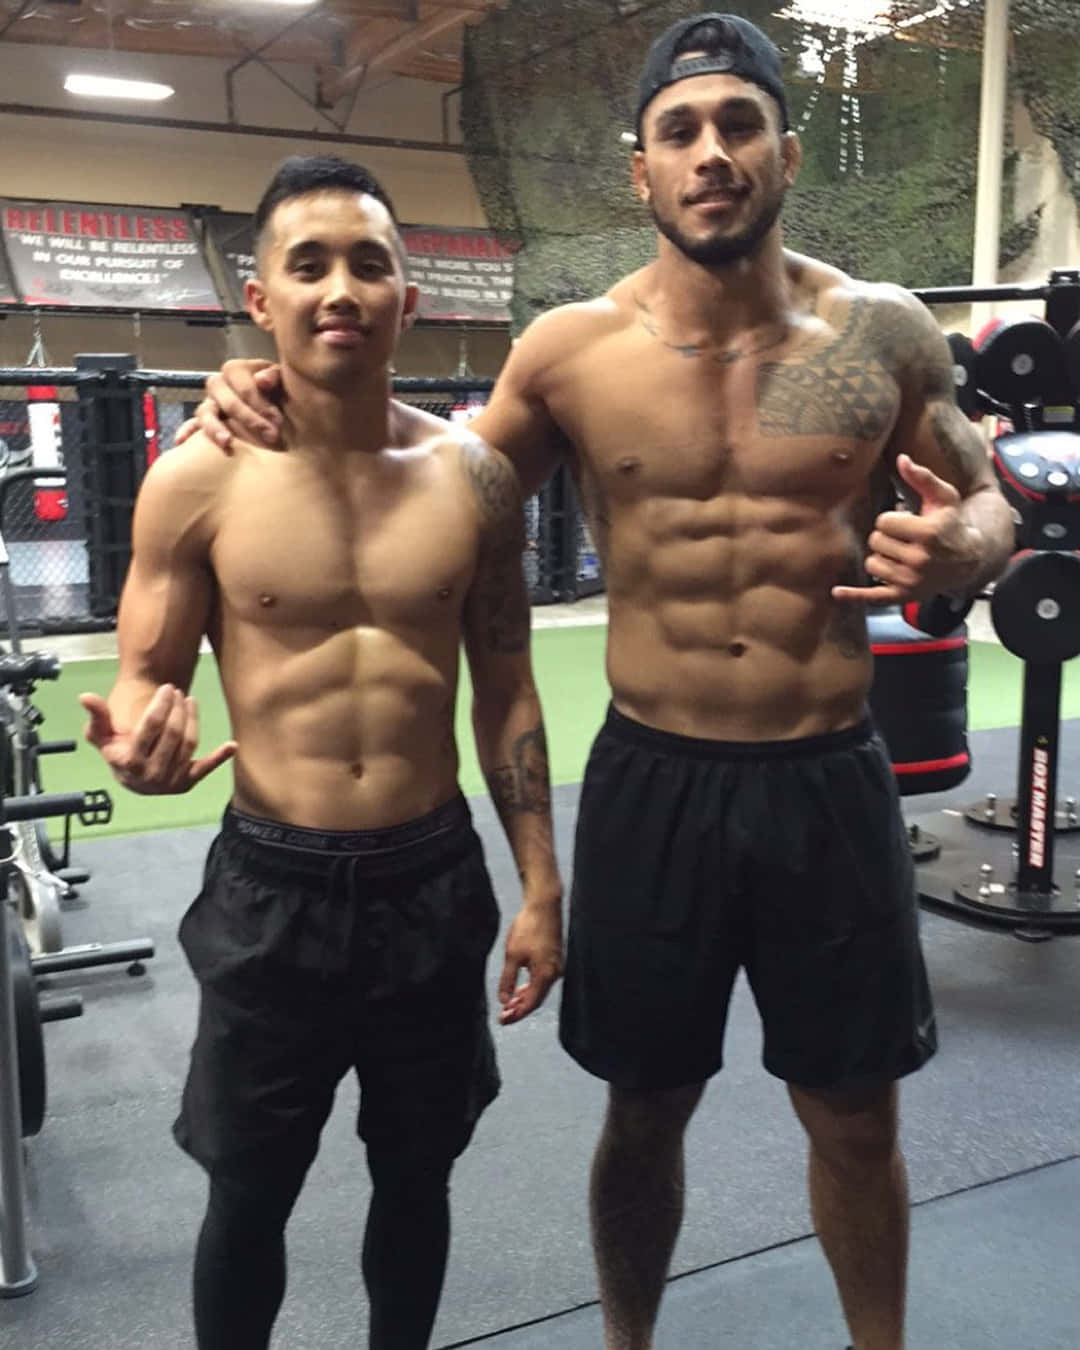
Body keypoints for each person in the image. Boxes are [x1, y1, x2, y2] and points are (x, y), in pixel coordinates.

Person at [185, 14, 1017, 1350]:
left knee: (856, 1112)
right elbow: (418, 481)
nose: (711, 154)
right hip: (652, 779)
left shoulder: (886, 333)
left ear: (786, 154)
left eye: (738, 125)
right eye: (681, 131)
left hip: (824, 771)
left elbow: (988, 501)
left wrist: (966, 547)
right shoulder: (569, 351)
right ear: (641, 171)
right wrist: (270, 381)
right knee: (645, 1102)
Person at [81, 155, 563, 1350]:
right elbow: (143, 676)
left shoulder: (475, 480)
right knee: (250, 1190)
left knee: (419, 1179)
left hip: (430, 881)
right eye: (308, 265)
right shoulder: (195, 478)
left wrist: (542, 882)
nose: (339, 288)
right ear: (261, 300)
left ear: (408, 297)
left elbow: (505, 683)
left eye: (368, 263)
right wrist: (138, 742)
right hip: (272, 889)